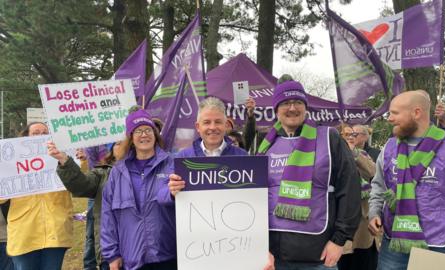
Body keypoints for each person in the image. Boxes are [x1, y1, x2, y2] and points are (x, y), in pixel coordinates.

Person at [256, 77, 361, 270]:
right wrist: (256, 245)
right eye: (286, 103)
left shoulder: (330, 138)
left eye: (298, 102)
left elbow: (350, 188)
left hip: (317, 255)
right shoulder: (264, 144)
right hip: (272, 256)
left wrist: (339, 241)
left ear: (306, 107)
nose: (292, 108)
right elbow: (252, 195)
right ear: (276, 109)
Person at [368, 90, 445, 270]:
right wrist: (374, 212)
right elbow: (379, 185)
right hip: (394, 245)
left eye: (395, 113)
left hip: (441, 246)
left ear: (417, 113)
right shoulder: (389, 147)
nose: (389, 118)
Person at [168, 97, 273, 270]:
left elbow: (258, 204)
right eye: (207, 122)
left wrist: (261, 248)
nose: (212, 127)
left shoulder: (242, 158)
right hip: (197, 254)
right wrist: (170, 191)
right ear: (198, 127)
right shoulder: (182, 158)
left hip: (236, 251)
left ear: (226, 125)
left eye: (218, 122)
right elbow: (161, 198)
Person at [101, 107, 176, 270]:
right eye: (138, 131)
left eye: (148, 129)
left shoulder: (171, 164)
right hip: (132, 258)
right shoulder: (117, 172)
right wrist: (112, 254)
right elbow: (108, 215)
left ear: (155, 135)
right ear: (131, 138)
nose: (144, 134)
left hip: (168, 255)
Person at [0, 122, 73, 270]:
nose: (41, 136)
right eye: (36, 133)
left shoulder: (63, 157)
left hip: (55, 232)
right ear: (25, 138)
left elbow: (81, 183)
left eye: (45, 132)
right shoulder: (10, 162)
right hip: (24, 234)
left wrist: (78, 160)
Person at [47, 140, 127, 270]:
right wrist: (64, 160)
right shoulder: (102, 173)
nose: (123, 146)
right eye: (118, 143)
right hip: (112, 253)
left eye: (127, 142)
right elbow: (81, 185)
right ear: (111, 151)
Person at [337, 124, 378, 270]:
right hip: (341, 222)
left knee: (363, 260)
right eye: (346, 134)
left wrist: (353, 152)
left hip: (363, 222)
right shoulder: (334, 154)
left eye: (353, 134)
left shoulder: (363, 155)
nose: (350, 137)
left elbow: (373, 172)